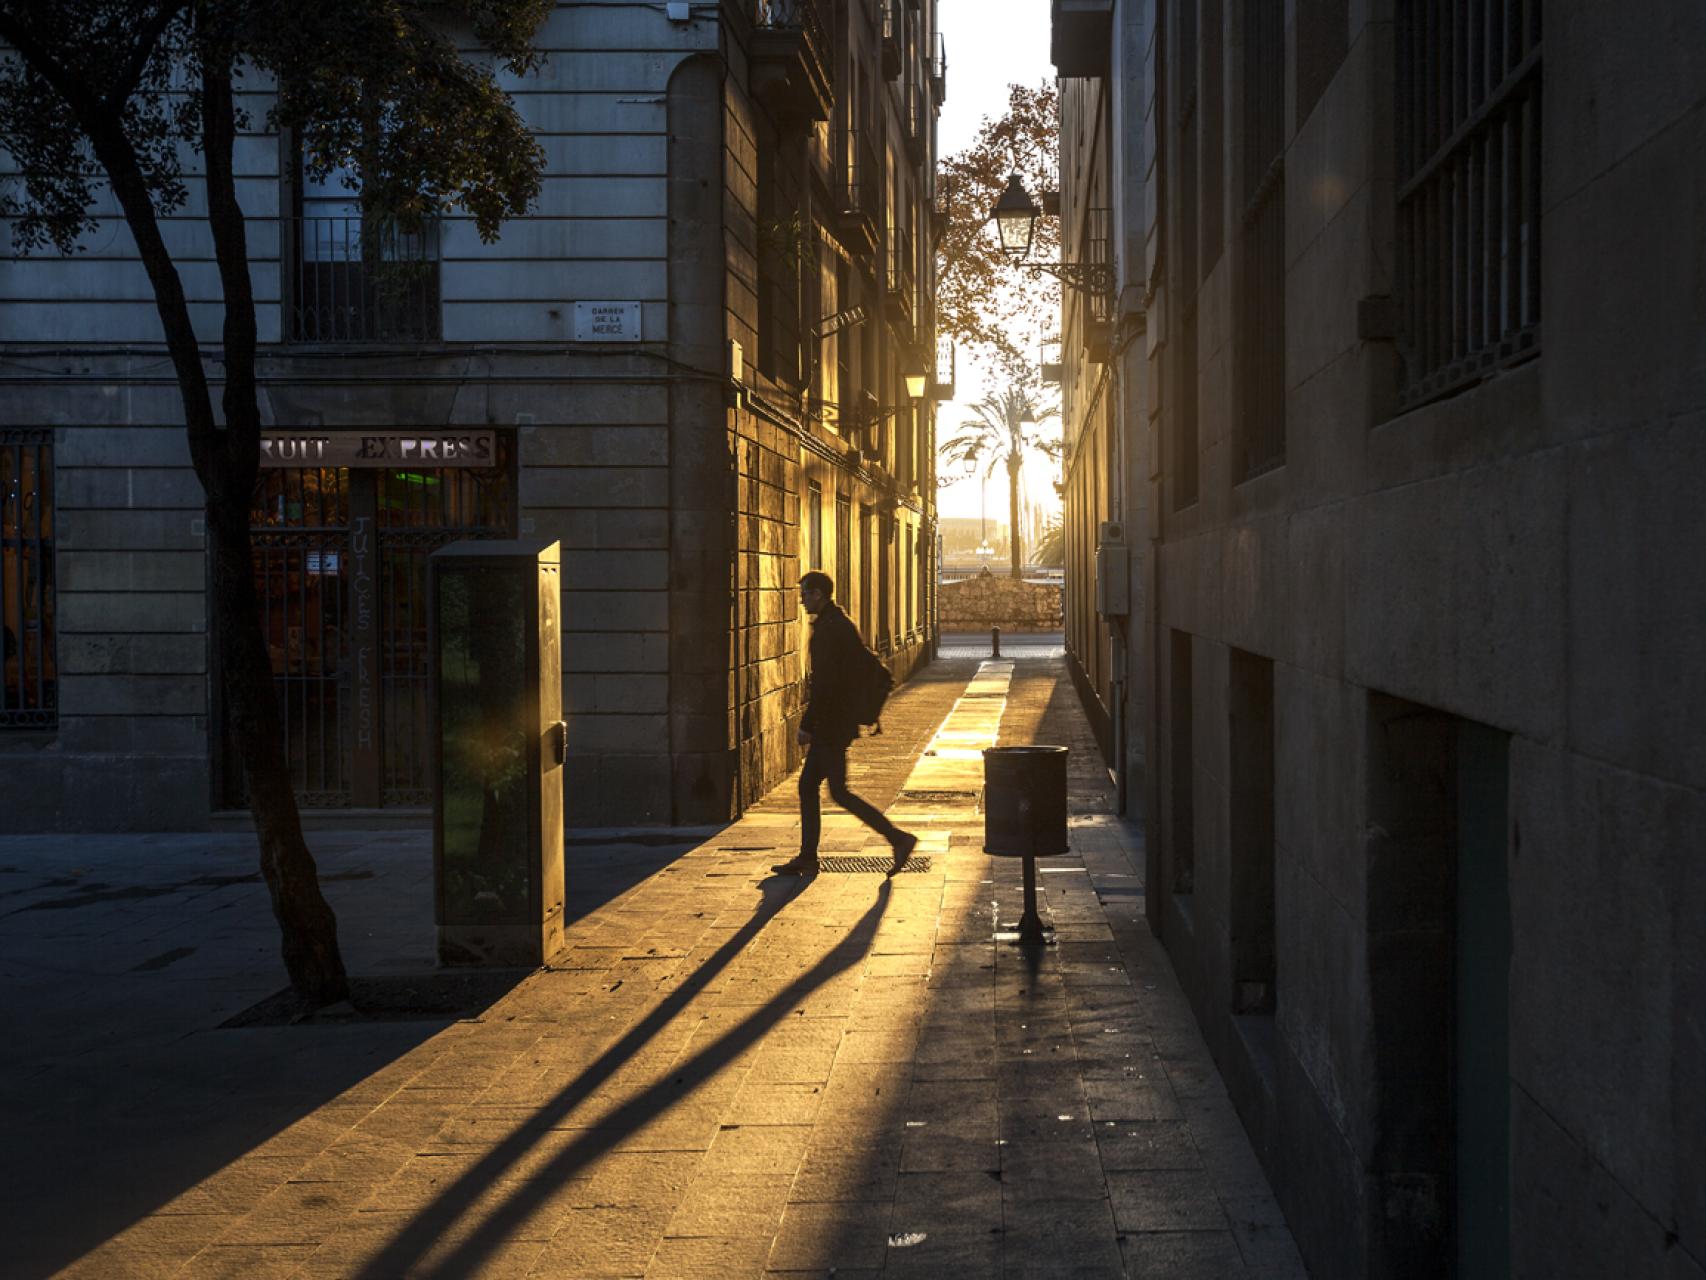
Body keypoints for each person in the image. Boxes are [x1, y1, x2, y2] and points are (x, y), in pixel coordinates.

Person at [773, 571, 918, 877]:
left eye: (805, 593)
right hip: (837, 721)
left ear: (819, 595)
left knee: (836, 791)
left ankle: (898, 838)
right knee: (813, 786)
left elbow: (826, 684)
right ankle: (808, 857)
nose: (801, 599)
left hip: (832, 724)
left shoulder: (830, 630)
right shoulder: (837, 623)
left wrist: (808, 724)